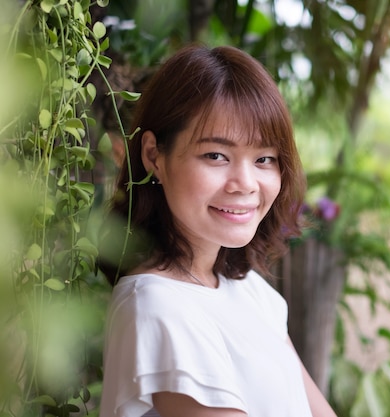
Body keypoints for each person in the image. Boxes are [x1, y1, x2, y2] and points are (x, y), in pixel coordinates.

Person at [98, 44, 338, 417]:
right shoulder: (159, 308)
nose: (245, 183)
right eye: (216, 156)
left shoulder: (250, 290)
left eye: (264, 159)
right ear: (153, 156)